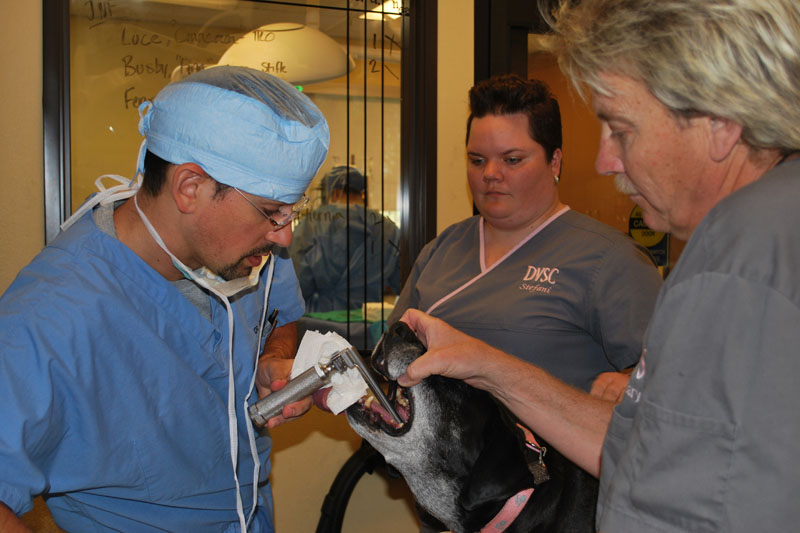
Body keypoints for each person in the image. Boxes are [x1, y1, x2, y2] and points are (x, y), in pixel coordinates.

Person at [396, 1, 800, 531]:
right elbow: (646, 454)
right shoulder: (763, 231)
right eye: (478, 160)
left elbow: (681, 496)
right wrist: (487, 366)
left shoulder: (734, 265)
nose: (605, 161)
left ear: (718, 123)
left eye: (622, 129)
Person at [0, 66, 329, 532]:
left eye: (293, 211)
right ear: (190, 188)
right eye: (272, 211)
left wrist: (273, 358)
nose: (285, 235)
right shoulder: (50, 317)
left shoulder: (250, 254)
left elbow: (278, 314)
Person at [389, 74, 662, 394]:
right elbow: (394, 353)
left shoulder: (612, 261)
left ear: (554, 162)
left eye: (512, 160)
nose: (490, 174)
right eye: (477, 160)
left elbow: (666, 382)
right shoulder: (442, 250)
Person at [289, 165, 401, 313]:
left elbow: (298, 283)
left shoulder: (311, 225)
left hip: (322, 319)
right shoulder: (388, 228)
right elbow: (401, 283)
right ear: (362, 193)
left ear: (335, 192)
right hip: (369, 319)